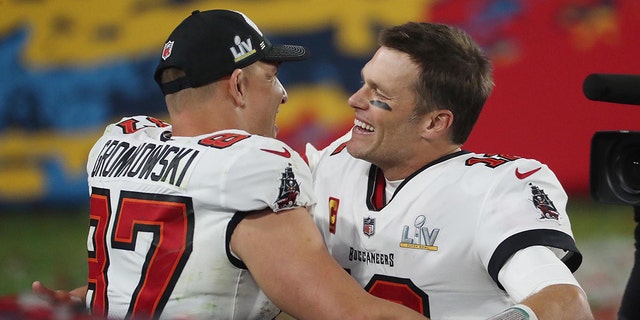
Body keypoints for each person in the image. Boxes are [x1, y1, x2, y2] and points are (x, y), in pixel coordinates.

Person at [32, 9, 426, 320]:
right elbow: (349, 314)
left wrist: (91, 298)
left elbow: (152, 274)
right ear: (238, 86)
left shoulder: (119, 146)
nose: (283, 94)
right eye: (271, 77)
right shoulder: (248, 168)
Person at [305, 22, 594, 319]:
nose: (354, 100)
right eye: (364, 82)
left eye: (380, 94)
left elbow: (568, 303)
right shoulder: (335, 162)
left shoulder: (490, 191)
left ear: (434, 123)